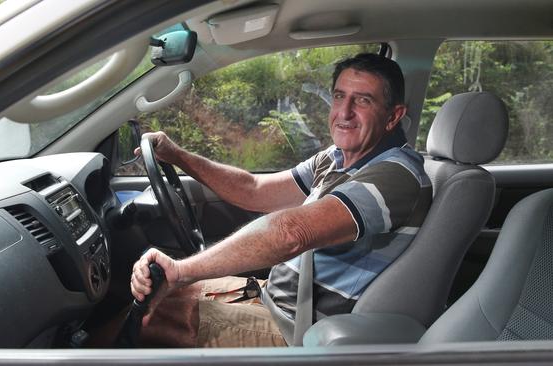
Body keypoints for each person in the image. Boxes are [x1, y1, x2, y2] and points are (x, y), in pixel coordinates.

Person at [130, 53, 432, 347]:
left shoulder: (397, 176)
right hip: (273, 297)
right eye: (339, 96)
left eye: (363, 101)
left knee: (143, 320)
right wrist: (177, 155)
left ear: (393, 116)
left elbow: (291, 233)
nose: (344, 112)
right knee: (152, 298)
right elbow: (253, 189)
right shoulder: (336, 158)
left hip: (298, 327)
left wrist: (180, 271)